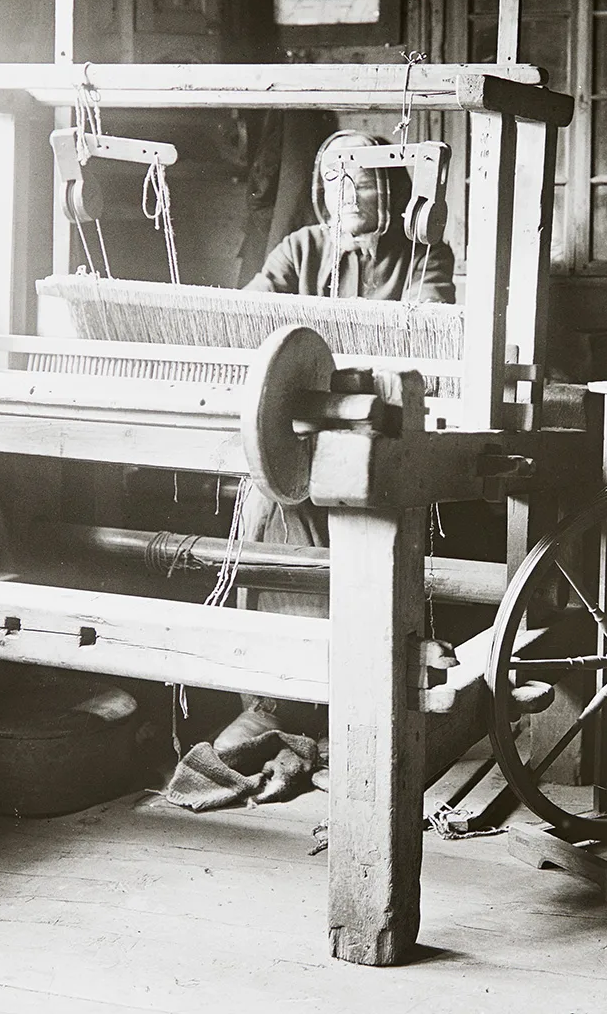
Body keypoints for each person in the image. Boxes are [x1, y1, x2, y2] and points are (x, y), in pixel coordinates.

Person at [221, 130, 455, 749]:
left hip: (379, 427)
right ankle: (269, 700)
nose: (347, 192)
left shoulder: (421, 255)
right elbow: (251, 318)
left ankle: (362, 692)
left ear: (393, 189)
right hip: (300, 424)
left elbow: (427, 333)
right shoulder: (301, 248)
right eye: (334, 180)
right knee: (267, 505)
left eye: (365, 179)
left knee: (364, 517)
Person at [242, 129, 455, 302]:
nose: (347, 197)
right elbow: (251, 306)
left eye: (362, 185)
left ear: (394, 193)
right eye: (335, 187)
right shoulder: (299, 247)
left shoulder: (426, 255)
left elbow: (427, 323)